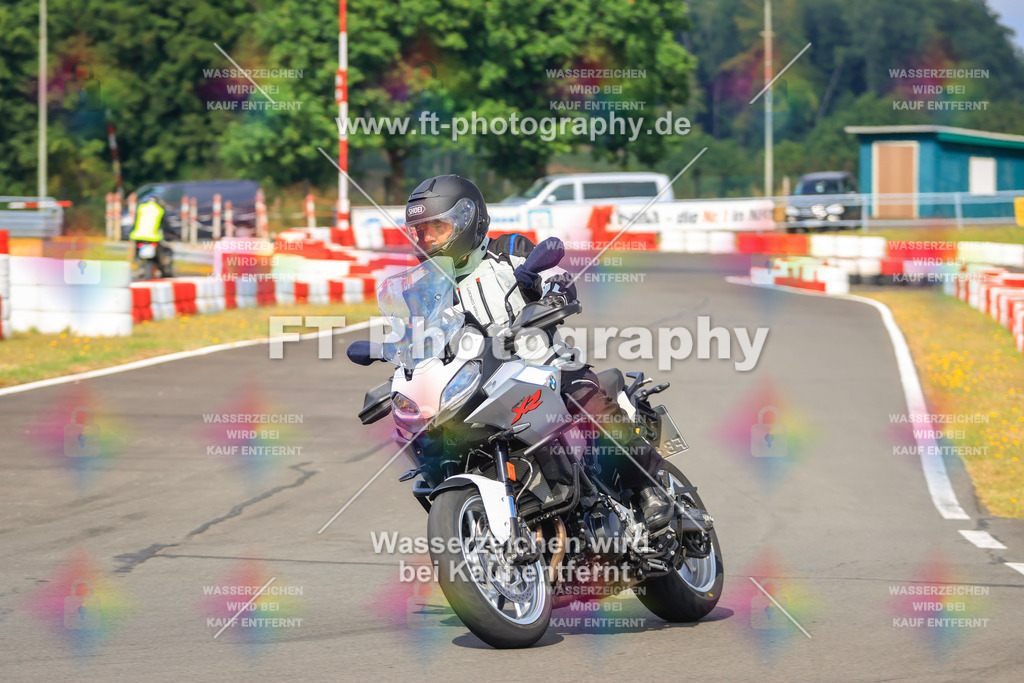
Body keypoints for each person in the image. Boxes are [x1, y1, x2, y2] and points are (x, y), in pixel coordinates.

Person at [402, 174, 673, 530]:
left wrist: (553, 291)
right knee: (432, 439)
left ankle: (647, 487)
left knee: (585, 399)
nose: (428, 238)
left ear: (468, 219)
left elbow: (555, 276)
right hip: (478, 385)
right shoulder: (426, 287)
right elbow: (419, 340)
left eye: (437, 227)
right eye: (421, 230)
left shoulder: (508, 250)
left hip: (543, 367)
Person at [129, 197, 174, 277]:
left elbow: (135, 223)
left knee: (136, 255)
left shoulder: (141, 208)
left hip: (138, 237)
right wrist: (173, 234)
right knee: (167, 251)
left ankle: (137, 262)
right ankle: (165, 267)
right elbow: (165, 226)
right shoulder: (159, 210)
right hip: (153, 238)